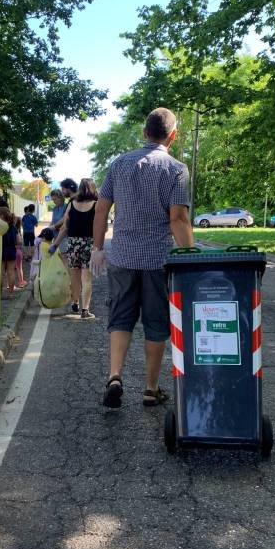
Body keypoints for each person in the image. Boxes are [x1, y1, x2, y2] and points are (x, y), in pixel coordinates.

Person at [90, 107, 193, 409]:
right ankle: (150, 388)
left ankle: (114, 376)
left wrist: (98, 248)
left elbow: (101, 209)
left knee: (120, 317)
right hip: (157, 261)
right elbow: (178, 219)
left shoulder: (119, 164)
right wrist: (189, 257)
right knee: (156, 322)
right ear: (172, 136)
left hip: (121, 256)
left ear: (145, 132)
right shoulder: (177, 169)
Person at [50, 178, 98, 319]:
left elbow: (65, 227)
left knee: (74, 276)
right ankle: (85, 310)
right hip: (89, 243)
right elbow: (102, 227)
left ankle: (75, 303)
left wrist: (55, 244)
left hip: (72, 243)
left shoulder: (72, 203)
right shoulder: (96, 205)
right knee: (86, 278)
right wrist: (99, 246)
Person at [0, 206, 20, 296]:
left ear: (1, 216)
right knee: (11, 272)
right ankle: (11, 293)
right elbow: (18, 241)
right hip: (11, 251)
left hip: (0, 251)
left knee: (0, 273)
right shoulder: (13, 228)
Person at [49, 189, 68, 264]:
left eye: (55, 199)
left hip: (64, 237)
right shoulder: (55, 208)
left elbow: (64, 220)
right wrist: (49, 227)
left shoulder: (66, 207)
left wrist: (54, 226)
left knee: (64, 258)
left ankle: (67, 275)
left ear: (60, 197)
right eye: (53, 199)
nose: (54, 201)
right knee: (57, 258)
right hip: (55, 237)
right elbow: (53, 221)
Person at [14, 215, 26, 287]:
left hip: (13, 251)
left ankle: (9, 284)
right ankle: (21, 282)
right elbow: (20, 242)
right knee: (19, 268)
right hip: (18, 252)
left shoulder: (12, 231)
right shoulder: (18, 232)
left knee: (11, 269)